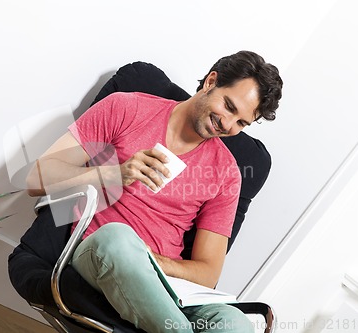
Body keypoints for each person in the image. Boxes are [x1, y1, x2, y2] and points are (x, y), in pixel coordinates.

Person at [26, 50, 283, 333]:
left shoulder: (227, 173)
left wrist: (153, 260)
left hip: (165, 284)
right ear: (211, 81)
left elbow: (208, 273)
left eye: (242, 123)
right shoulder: (126, 109)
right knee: (119, 238)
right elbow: (37, 178)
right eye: (229, 107)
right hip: (100, 251)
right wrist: (114, 174)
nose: (228, 125)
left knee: (235, 324)